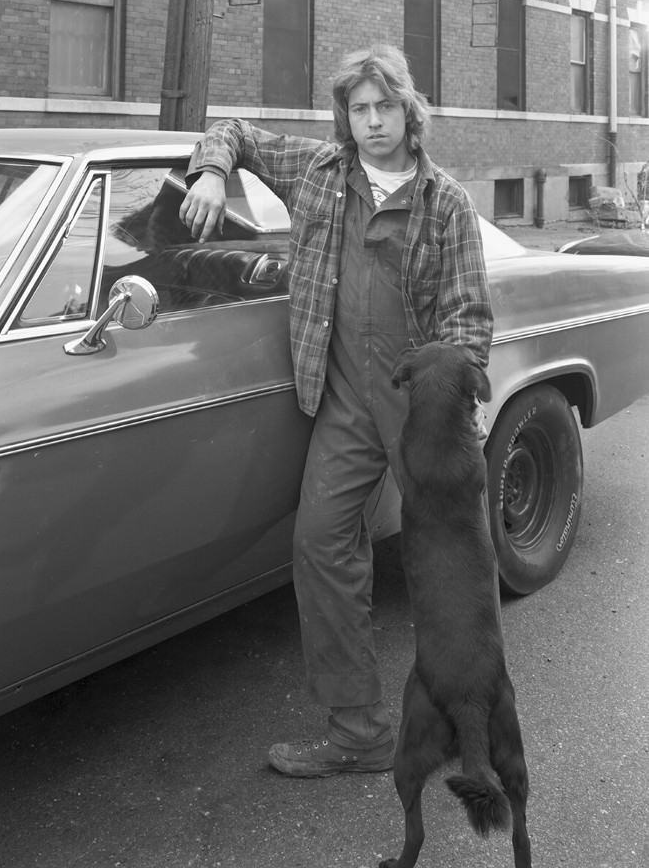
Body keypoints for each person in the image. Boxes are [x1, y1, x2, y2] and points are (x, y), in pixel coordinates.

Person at [180, 44, 493, 778]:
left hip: (425, 409)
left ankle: (468, 727)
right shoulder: (319, 171)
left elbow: (470, 318)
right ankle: (358, 730)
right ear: (344, 117)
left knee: (449, 569)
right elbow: (232, 128)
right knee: (321, 544)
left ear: (408, 112)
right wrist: (210, 169)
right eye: (360, 109)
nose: (373, 122)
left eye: (386, 107)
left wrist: (445, 410)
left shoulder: (445, 201)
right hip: (347, 399)